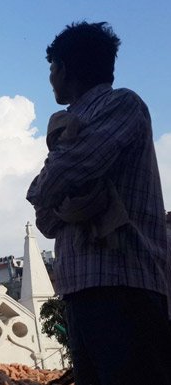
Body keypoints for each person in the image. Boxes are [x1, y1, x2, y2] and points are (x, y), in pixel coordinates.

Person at [27, 21, 171, 384]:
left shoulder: (122, 104)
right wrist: (55, 187)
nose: (50, 78)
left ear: (64, 68)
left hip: (125, 287)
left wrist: (55, 185)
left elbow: (60, 178)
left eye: (52, 68)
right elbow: (43, 213)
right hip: (81, 292)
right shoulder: (68, 127)